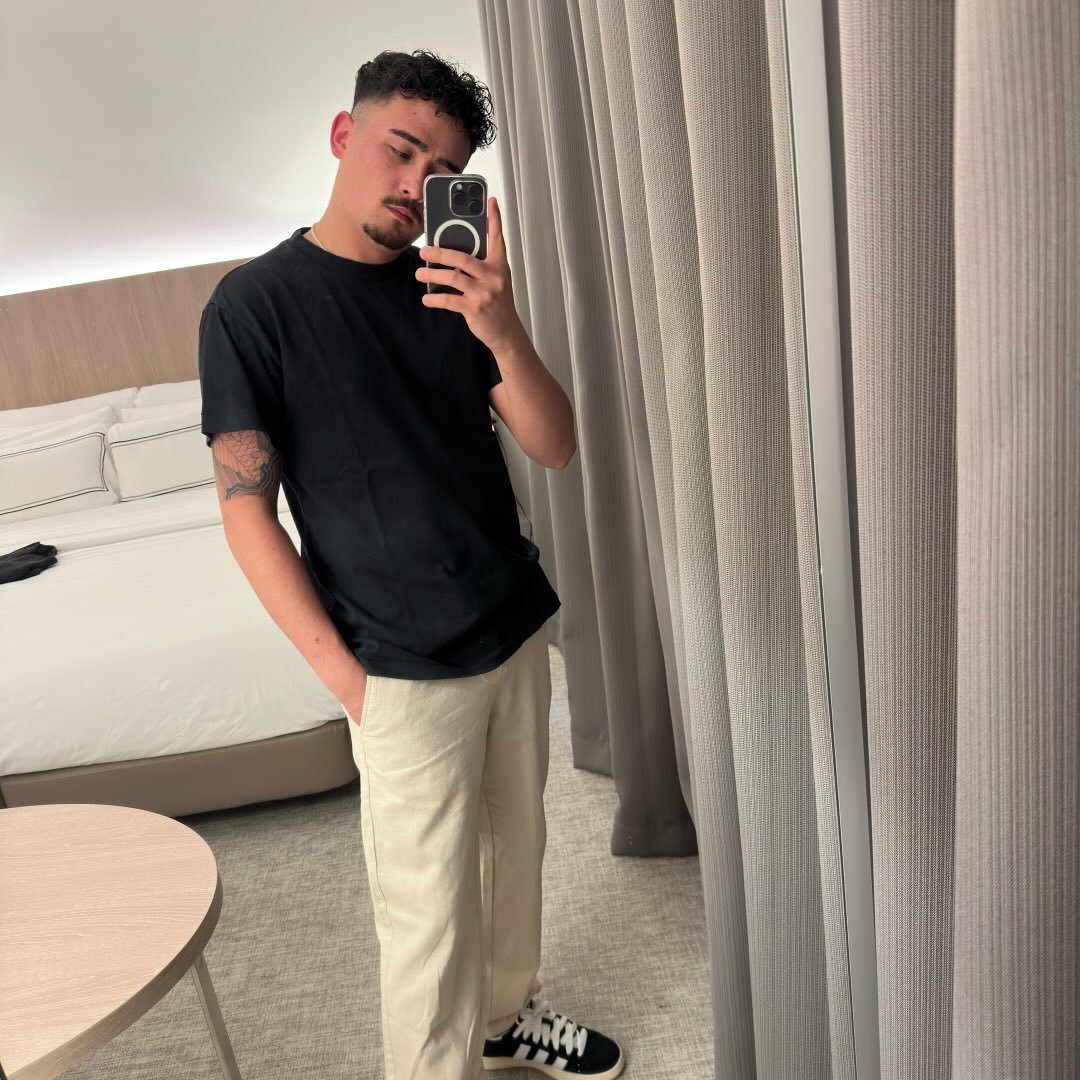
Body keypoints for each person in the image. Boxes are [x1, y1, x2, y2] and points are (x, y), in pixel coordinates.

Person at [198, 49, 625, 1080]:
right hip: (394, 663)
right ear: (344, 136)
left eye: (441, 171)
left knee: (515, 859)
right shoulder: (254, 307)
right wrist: (348, 683)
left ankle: (507, 1016)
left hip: (511, 626)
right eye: (400, 151)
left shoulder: (453, 287)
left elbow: (556, 445)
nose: (412, 184)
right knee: (428, 918)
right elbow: (247, 513)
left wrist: (500, 327)